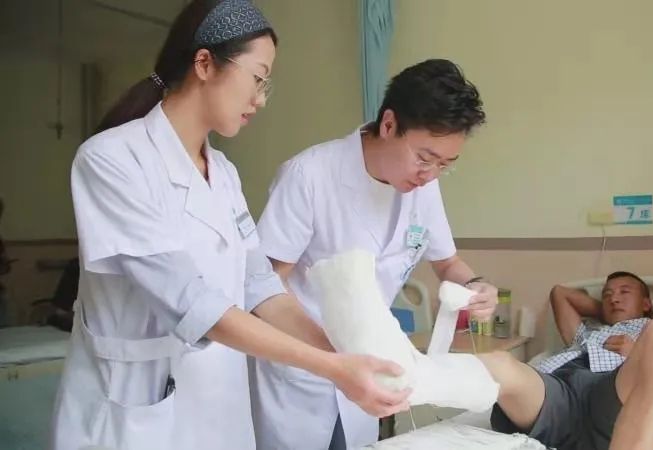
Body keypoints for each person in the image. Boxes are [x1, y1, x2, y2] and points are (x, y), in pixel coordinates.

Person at [50, 1, 410, 449]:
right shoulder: (111, 160)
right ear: (204, 63)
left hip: (218, 403)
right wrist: (333, 368)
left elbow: (260, 287)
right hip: (134, 413)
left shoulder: (223, 173)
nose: (260, 99)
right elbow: (189, 301)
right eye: (258, 78)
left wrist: (343, 354)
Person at [249, 59, 499, 449]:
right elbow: (264, 287)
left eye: (445, 165)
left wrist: (476, 285)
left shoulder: (424, 187)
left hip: (366, 370)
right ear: (389, 124)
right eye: (424, 158)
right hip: (301, 375)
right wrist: (333, 358)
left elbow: (447, 262)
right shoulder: (309, 175)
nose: (430, 174)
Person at [478, 271, 653, 450]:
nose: (614, 298)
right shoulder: (589, 332)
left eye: (624, 292)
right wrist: (609, 312)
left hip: (616, 396)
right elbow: (560, 293)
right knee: (493, 363)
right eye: (607, 295)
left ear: (647, 303)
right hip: (554, 394)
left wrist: (639, 354)